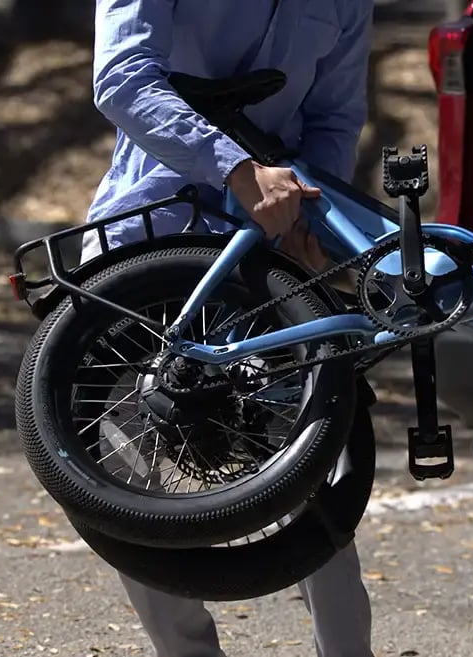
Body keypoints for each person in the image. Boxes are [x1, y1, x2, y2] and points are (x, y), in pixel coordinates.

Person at [81, 1, 377, 655]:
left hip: (266, 256)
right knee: (123, 476)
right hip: (149, 231)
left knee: (312, 464)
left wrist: (308, 217)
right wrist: (236, 170)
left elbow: (333, 115)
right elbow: (122, 74)